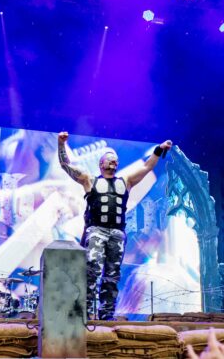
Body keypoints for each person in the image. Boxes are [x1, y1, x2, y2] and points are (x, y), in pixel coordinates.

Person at [57, 131, 172, 320]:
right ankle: (86, 310)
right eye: (110, 159)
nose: (114, 161)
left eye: (116, 160)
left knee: (112, 274)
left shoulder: (125, 182)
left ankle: (107, 314)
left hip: (117, 233)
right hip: (96, 230)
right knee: (92, 267)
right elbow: (66, 165)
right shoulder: (89, 180)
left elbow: (146, 167)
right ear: (101, 164)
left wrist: (159, 149)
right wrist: (61, 144)